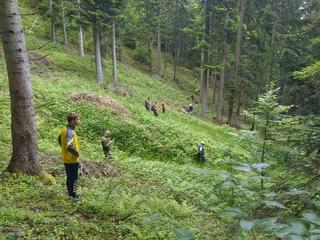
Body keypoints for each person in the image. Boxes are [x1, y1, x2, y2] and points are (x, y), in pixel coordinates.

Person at [58, 112, 81, 200]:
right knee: (74, 178)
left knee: (69, 177)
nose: (79, 121)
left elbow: (59, 139)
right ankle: (73, 195)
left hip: (66, 158)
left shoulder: (64, 129)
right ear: (72, 121)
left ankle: (70, 193)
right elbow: (69, 145)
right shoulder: (70, 131)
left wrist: (63, 148)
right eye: (78, 119)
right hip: (72, 159)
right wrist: (77, 154)